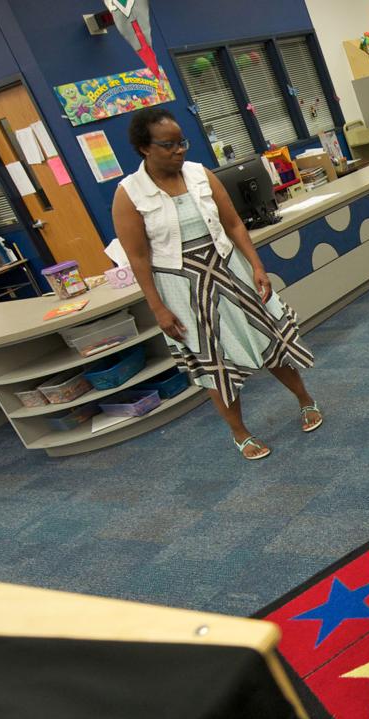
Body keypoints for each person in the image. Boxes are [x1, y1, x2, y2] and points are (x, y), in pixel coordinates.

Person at [112, 108, 319, 461]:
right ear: (144, 148)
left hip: (229, 267)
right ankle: (240, 433)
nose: (179, 151)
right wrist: (158, 308)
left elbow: (235, 225)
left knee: (268, 337)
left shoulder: (199, 174)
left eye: (182, 143)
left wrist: (257, 265)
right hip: (181, 285)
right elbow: (139, 258)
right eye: (168, 145)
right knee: (214, 361)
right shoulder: (129, 193)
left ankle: (305, 399)